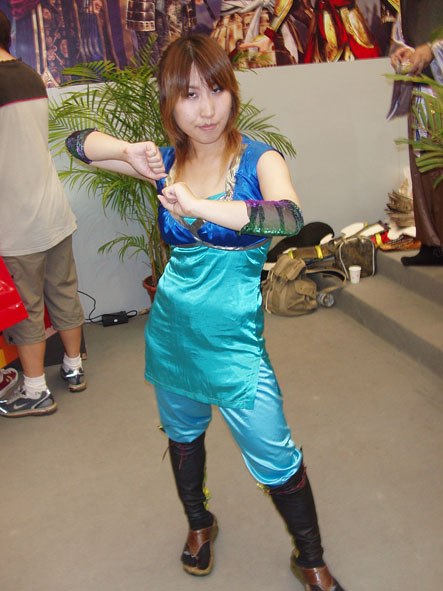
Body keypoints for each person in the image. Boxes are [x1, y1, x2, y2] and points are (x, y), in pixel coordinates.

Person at [65, 34, 346, 590]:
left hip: (235, 342)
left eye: (216, 89)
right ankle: (199, 523)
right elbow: (77, 143)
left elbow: (288, 218)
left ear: (232, 91)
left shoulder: (260, 159)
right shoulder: (165, 163)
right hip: (172, 333)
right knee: (183, 436)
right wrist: (127, 150)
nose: (207, 108)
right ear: (170, 102)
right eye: (190, 95)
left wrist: (198, 205)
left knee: (276, 454)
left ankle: (310, 557)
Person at [0, 9, 86, 419]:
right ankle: (73, 366)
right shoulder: (30, 75)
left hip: (17, 220)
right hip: (53, 209)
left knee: (28, 308)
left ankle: (35, 391)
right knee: (64, 291)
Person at [390, 1, 443, 265]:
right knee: (423, 167)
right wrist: (402, 52)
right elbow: (402, 35)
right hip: (424, 89)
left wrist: (433, 50)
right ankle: (432, 242)